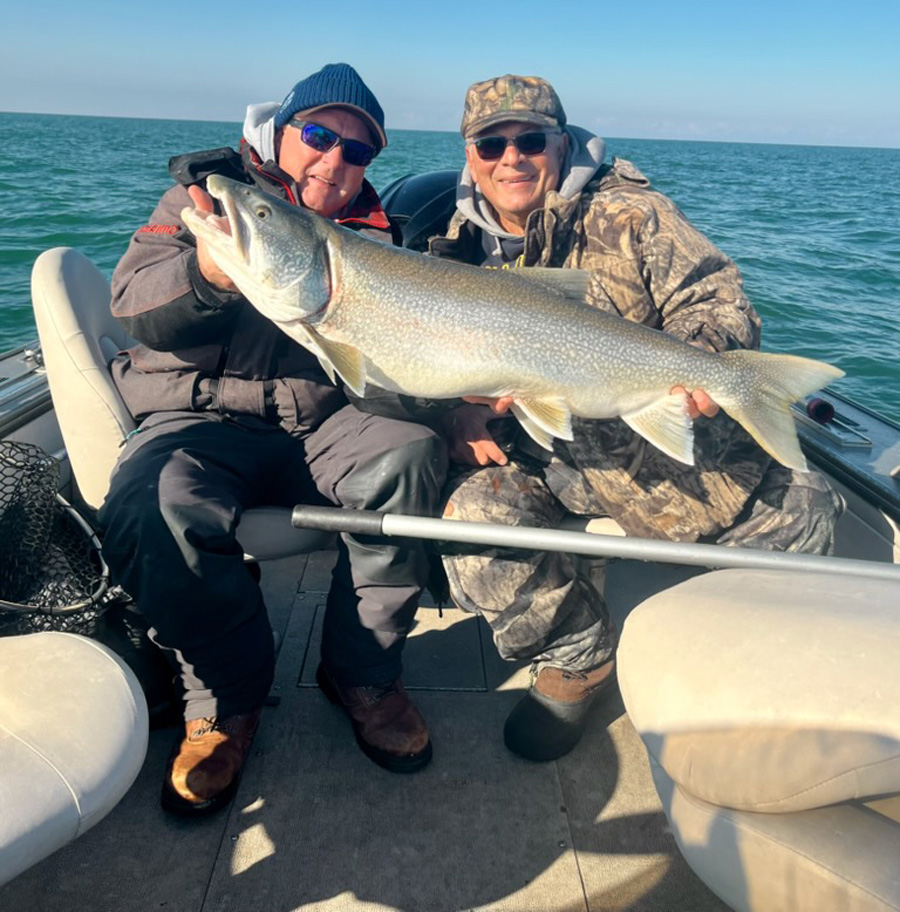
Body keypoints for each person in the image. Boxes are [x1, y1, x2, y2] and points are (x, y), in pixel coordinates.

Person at [427, 74, 842, 763]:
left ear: (561, 144)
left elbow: (716, 297)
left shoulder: (633, 214)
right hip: (548, 462)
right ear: (469, 155)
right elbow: (429, 358)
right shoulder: (449, 248)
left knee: (805, 506)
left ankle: (747, 667)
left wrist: (703, 361)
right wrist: (456, 415)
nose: (512, 158)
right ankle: (578, 658)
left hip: (665, 455)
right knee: (467, 522)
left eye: (531, 140)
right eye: (491, 145)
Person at [98, 63, 447, 816]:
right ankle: (224, 701)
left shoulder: (378, 237)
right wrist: (207, 276)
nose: (334, 159)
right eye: (318, 135)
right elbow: (131, 302)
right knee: (152, 500)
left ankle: (363, 674)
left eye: (358, 151)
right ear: (279, 133)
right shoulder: (208, 200)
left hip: (319, 425)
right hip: (198, 418)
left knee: (412, 453)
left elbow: (382, 372)